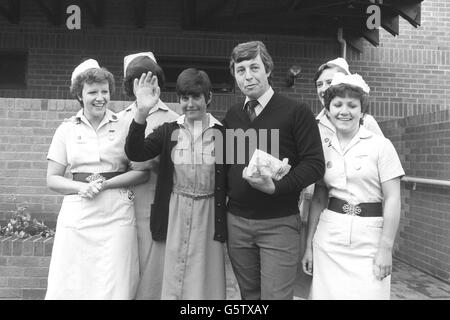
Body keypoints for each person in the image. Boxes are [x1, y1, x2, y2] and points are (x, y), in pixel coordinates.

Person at [222, 40, 325, 300]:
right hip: (237, 223)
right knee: (249, 295)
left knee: (275, 297)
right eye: (240, 70)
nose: (248, 76)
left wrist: (276, 186)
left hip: (278, 224)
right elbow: (228, 165)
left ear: (267, 69)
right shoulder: (233, 115)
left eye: (254, 67)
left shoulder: (296, 112)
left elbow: (315, 164)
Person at [45, 59, 148, 299]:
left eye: (104, 91)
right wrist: (82, 187)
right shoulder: (66, 129)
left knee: (115, 282)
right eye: (92, 92)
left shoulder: (124, 125)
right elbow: (52, 179)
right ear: (79, 95)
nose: (100, 97)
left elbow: (142, 172)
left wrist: (106, 184)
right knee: (72, 281)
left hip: (117, 213)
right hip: (78, 215)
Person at [124, 67, 227, 299]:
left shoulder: (225, 134)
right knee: (169, 279)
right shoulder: (167, 131)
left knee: (202, 282)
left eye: (196, 97)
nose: (190, 103)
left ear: (208, 97)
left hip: (209, 216)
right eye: (184, 98)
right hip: (173, 213)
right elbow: (135, 151)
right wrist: (142, 112)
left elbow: (237, 176)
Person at [301, 73, 405, 299]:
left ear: (362, 110)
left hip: (369, 240)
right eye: (337, 105)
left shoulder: (381, 146)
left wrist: (386, 248)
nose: (344, 111)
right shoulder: (322, 147)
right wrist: (308, 245)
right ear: (328, 110)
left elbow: (394, 199)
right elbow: (319, 198)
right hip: (329, 237)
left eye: (352, 105)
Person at [118, 52, 179, 299]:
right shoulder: (120, 118)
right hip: (122, 208)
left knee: (154, 273)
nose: (146, 86)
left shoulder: (175, 120)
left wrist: (155, 163)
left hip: (156, 206)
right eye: (139, 81)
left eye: (151, 80)